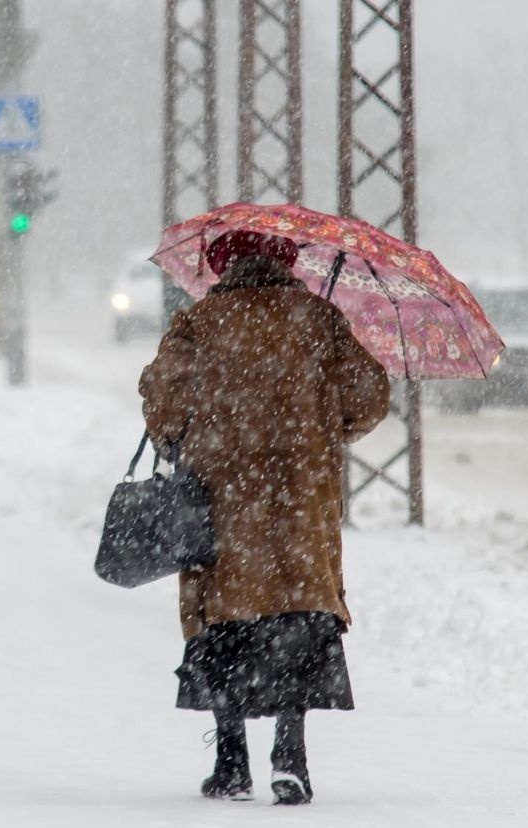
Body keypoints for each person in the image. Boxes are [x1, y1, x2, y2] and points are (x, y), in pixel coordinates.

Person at [139, 230, 390, 805]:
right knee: (296, 621)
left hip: (222, 506)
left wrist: (181, 433)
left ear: (223, 268)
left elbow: (164, 402)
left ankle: (231, 763)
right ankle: (290, 755)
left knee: (225, 622)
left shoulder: (199, 323)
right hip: (301, 505)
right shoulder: (317, 318)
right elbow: (369, 396)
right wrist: (328, 424)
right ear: (288, 265)